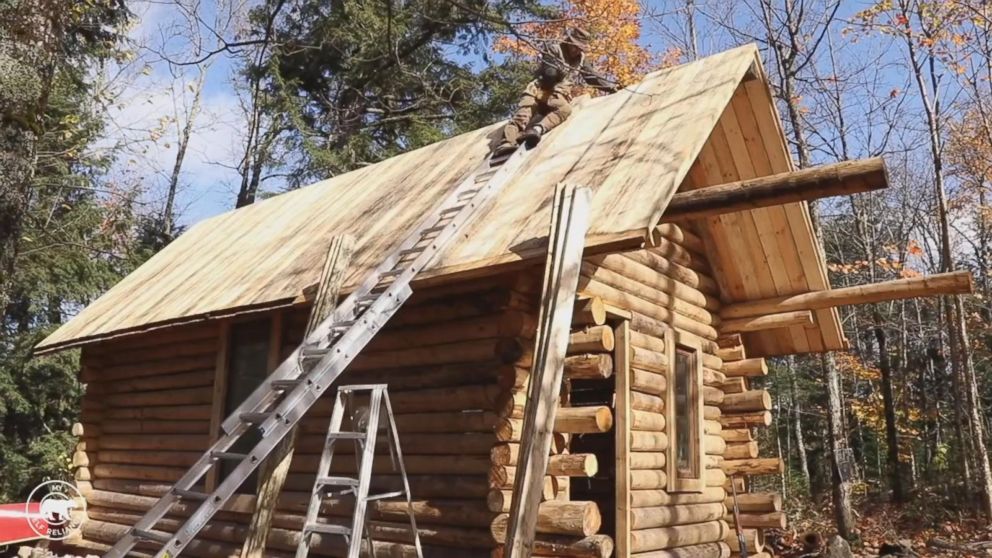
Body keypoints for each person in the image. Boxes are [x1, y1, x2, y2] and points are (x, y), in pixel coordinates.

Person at [494, 27, 619, 157]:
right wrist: (555, 75)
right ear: (569, 41)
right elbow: (549, 72)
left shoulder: (581, 60)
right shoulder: (554, 49)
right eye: (575, 46)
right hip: (540, 89)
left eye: (580, 48)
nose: (576, 50)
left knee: (565, 109)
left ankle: (537, 129)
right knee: (523, 114)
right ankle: (506, 143)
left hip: (556, 95)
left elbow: (592, 77)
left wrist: (611, 87)